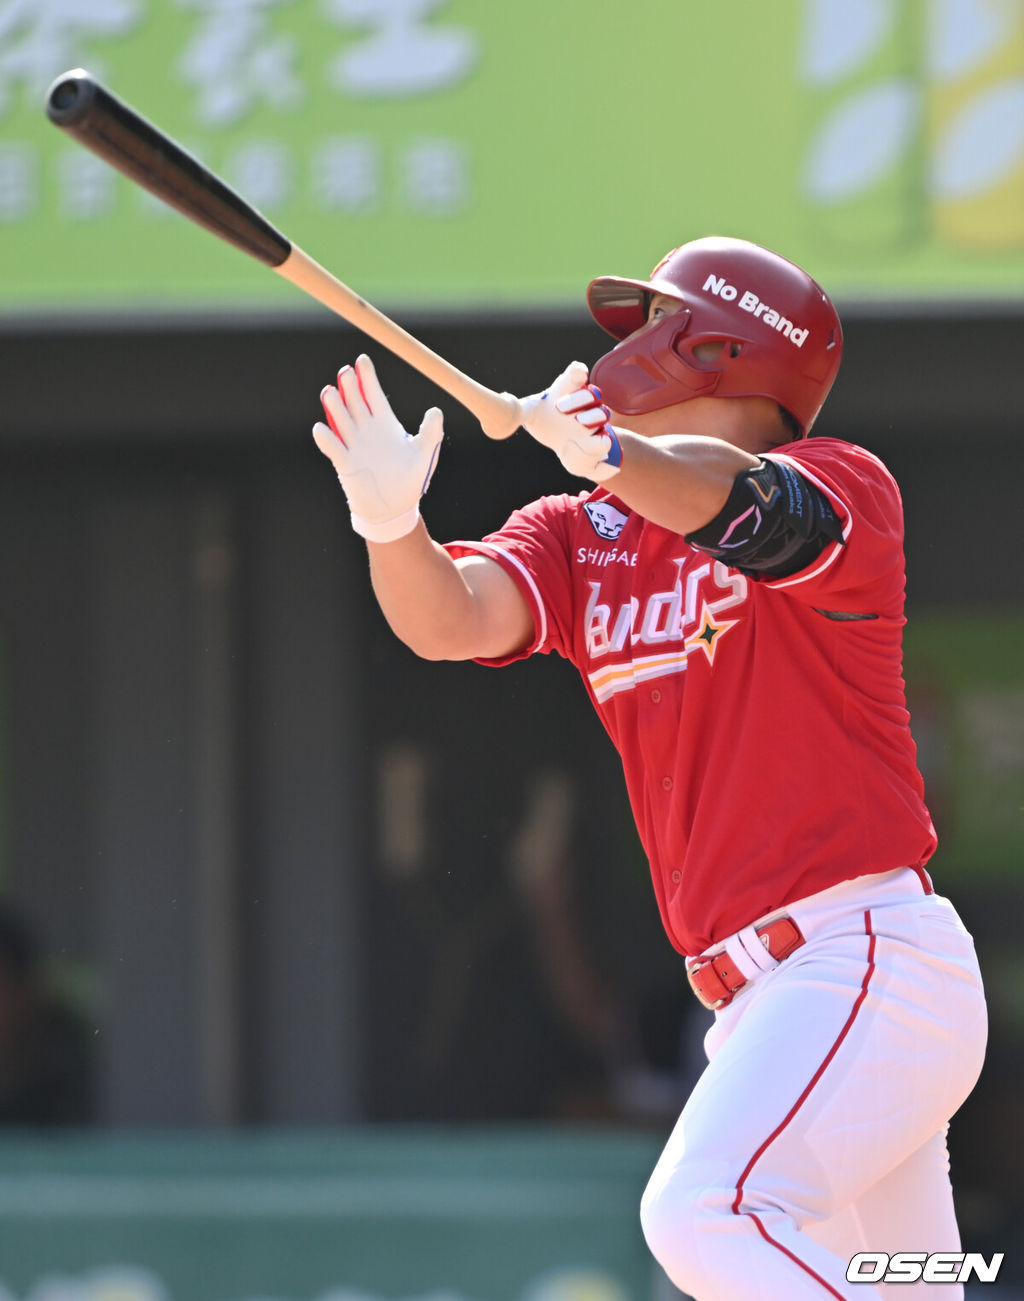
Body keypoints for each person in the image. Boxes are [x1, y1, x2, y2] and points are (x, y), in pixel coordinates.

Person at [311, 236, 988, 1300]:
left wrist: (616, 457)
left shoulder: (843, 486)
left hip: (862, 961)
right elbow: (452, 617)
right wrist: (388, 522)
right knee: (901, 1283)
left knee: (703, 1212)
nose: (620, 348)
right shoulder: (585, 535)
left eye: (650, 323)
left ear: (718, 346)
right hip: (762, 1002)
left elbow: (747, 507)